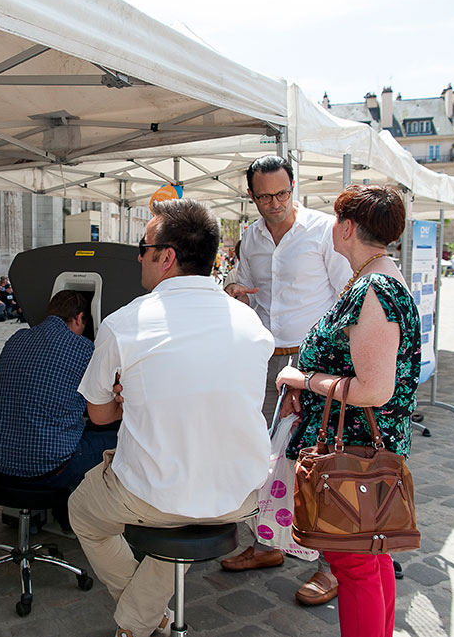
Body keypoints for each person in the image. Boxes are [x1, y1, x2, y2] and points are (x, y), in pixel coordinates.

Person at [68, 198, 273, 637]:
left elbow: (99, 413)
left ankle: (138, 620)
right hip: (239, 491)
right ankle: (145, 616)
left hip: (156, 495)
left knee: (83, 510)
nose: (138, 257)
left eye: (142, 248)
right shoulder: (252, 324)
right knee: (181, 501)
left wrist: (129, 400)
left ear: (166, 257)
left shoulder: (124, 324)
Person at [275, 184, 420, 637]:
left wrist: (305, 380)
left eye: (337, 220)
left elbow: (374, 390)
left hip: (352, 454)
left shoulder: (373, 290)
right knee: (368, 558)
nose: (332, 228)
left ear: (349, 227)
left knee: (353, 564)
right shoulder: (378, 279)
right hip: (359, 447)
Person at [220, 155, 352, 606]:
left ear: (294, 186)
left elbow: (346, 297)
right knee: (259, 452)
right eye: (263, 196)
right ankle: (265, 543)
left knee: (319, 462)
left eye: (281, 193)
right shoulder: (250, 239)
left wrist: (323, 367)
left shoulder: (322, 231)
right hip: (265, 359)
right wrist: (235, 295)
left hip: (315, 363)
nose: (274, 204)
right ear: (251, 195)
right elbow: (245, 292)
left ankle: (329, 567)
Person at [0, 290, 117, 495]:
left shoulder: (16, 339)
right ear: (80, 318)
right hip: (47, 468)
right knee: (121, 440)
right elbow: (100, 412)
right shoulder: (83, 348)